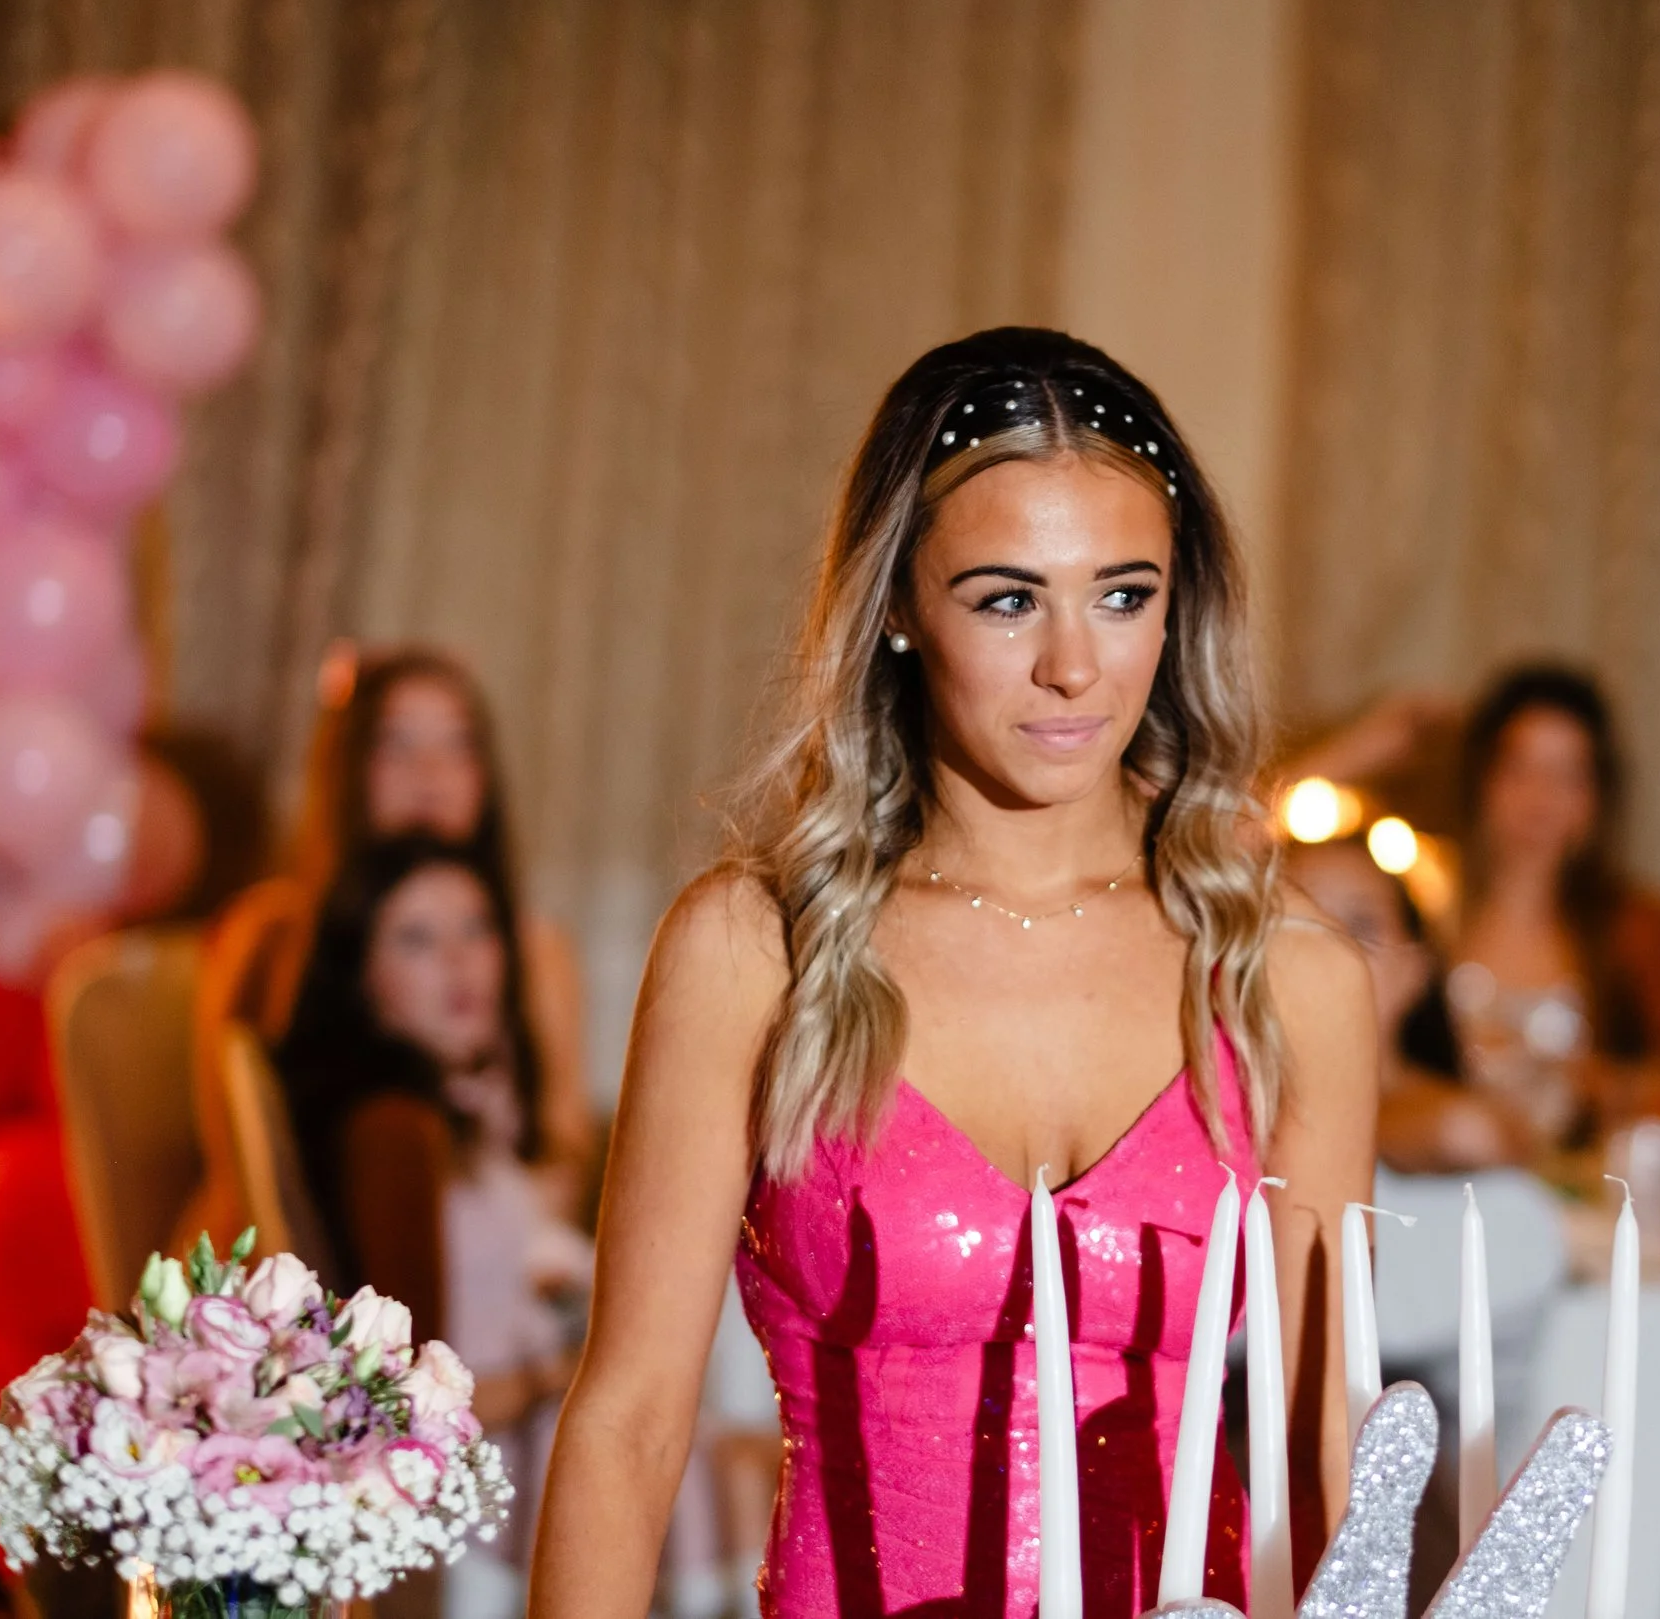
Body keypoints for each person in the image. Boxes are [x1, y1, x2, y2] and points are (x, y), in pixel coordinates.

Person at [529, 328, 1378, 1619]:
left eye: (1123, 592)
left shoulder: (1288, 977)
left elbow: (1330, 1452)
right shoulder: (756, 950)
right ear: (901, 613)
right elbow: (632, 1421)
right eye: (1005, 596)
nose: (1074, 666)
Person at [190, 647, 593, 1247]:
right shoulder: (276, 935)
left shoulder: (535, 950)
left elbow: (563, 1148)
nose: (430, 773)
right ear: (347, 768)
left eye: (458, 746)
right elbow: (237, 1152)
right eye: (396, 745)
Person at [273, 834, 590, 1577]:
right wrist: (567, 1374)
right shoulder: (392, 1132)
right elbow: (404, 1403)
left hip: (509, 1461)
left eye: (476, 928)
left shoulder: (455, 1109)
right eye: (417, 938)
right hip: (467, 1511)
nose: (460, 961)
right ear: (362, 979)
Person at [1444, 663, 1660, 1151]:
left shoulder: (1636, 927)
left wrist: (1587, 1081)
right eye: (1520, 770)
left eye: (1567, 776)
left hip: (1577, 1191)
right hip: (1437, 1181)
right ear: (1482, 778)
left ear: (1599, 796)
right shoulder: (1429, 905)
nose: (1540, 799)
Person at [1281, 836, 1522, 1172]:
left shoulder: (1462, 1119)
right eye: (1299, 923)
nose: (1330, 949)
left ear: (1415, 968)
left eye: (1360, 926)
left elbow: (1469, 1132)